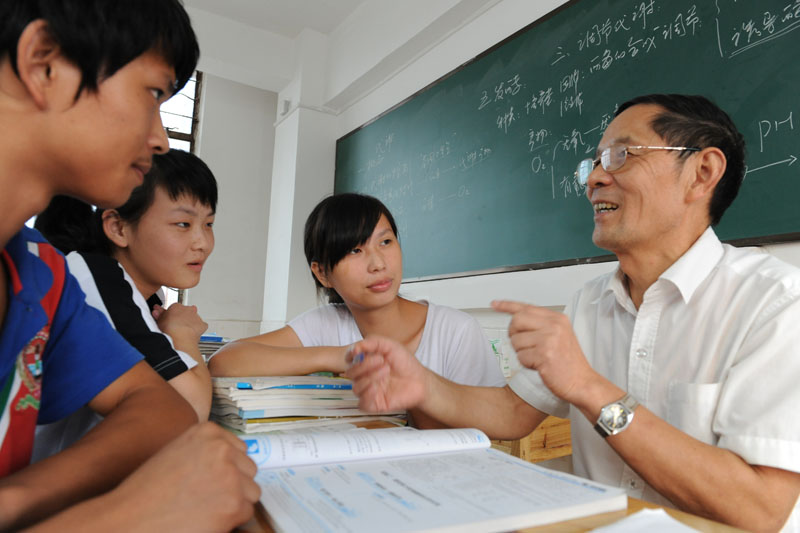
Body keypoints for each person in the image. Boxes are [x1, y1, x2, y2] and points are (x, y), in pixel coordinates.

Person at [344, 94, 800, 531]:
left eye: (622, 156)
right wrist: (420, 384)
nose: (595, 179)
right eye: (595, 163)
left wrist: (587, 386)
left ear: (702, 172)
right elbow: (511, 414)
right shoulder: (590, 301)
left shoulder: (775, 303)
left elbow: (760, 511)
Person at [0, 1, 258, 530]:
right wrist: (128, 513)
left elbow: (159, 409)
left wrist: (15, 504)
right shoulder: (88, 274)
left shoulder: (42, 277)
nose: (161, 137)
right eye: (154, 94)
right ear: (44, 64)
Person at [209, 193, 506, 427]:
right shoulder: (326, 325)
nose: (378, 264)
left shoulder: (455, 331)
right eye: (355, 250)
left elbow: (475, 432)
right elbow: (224, 362)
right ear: (323, 273)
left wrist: (410, 390)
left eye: (386, 242)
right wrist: (338, 356)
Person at [32, 149, 217, 460]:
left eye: (209, 224)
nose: (203, 242)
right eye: (183, 224)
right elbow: (189, 411)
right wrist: (183, 334)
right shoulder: (95, 278)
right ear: (118, 228)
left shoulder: (144, 296)